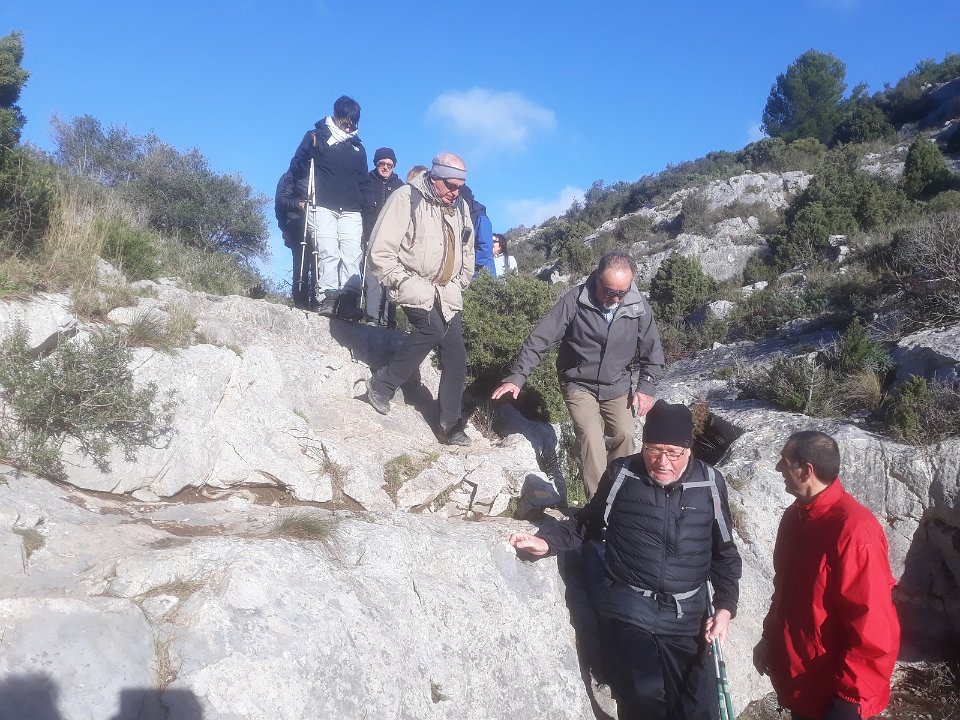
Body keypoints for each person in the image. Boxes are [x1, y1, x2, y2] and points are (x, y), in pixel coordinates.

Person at [509, 400, 742, 720]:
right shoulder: (622, 475)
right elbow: (586, 523)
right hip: (631, 608)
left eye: (673, 452)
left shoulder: (710, 483)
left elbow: (724, 553)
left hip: (687, 615)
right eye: (653, 449)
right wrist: (546, 542)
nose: (662, 461)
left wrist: (726, 607)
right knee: (643, 696)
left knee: (698, 708)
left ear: (689, 450)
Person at [491, 251, 665, 498]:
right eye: (610, 291)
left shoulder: (638, 306)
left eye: (622, 292)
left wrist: (646, 388)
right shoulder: (575, 300)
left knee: (625, 435)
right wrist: (518, 376)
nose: (616, 298)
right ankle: (598, 505)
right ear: (597, 279)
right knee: (590, 437)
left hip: (617, 383)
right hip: (578, 382)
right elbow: (540, 339)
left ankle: (619, 498)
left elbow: (653, 351)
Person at [753, 431, 900, 720]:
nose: (778, 468)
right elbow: (783, 591)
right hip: (803, 682)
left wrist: (848, 699)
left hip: (834, 693)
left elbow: (874, 624)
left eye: (785, 461)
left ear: (807, 470)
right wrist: (769, 638)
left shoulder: (854, 531)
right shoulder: (795, 517)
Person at [365, 153, 476, 446]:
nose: (456, 192)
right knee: (431, 330)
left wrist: (461, 280)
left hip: (447, 291)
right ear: (435, 178)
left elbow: (467, 249)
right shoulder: (406, 198)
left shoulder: (461, 206)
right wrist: (401, 281)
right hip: (412, 283)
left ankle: (450, 424)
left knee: (456, 354)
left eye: (461, 187)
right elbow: (380, 250)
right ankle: (381, 385)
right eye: (451, 186)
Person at [288, 95, 370, 318]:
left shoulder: (358, 147)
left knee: (352, 254)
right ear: (336, 116)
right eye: (346, 121)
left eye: (353, 122)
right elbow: (296, 167)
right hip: (323, 205)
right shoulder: (316, 136)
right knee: (329, 251)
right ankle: (328, 298)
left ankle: (349, 300)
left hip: (351, 209)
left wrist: (367, 207)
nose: (349, 126)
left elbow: (363, 181)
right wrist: (309, 151)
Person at [362, 147, 404, 327]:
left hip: (394, 243)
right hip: (370, 239)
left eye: (390, 164)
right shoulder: (366, 183)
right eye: (382, 163)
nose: (386, 167)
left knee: (391, 282)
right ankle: (372, 320)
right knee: (371, 282)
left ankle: (388, 322)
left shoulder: (401, 187)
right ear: (376, 163)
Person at [274, 170, 313, 309]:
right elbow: (280, 201)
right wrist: (298, 204)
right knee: (301, 264)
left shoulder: (322, 173)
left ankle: (318, 301)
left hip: (319, 224)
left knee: (320, 264)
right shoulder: (291, 175)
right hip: (296, 225)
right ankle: (301, 301)